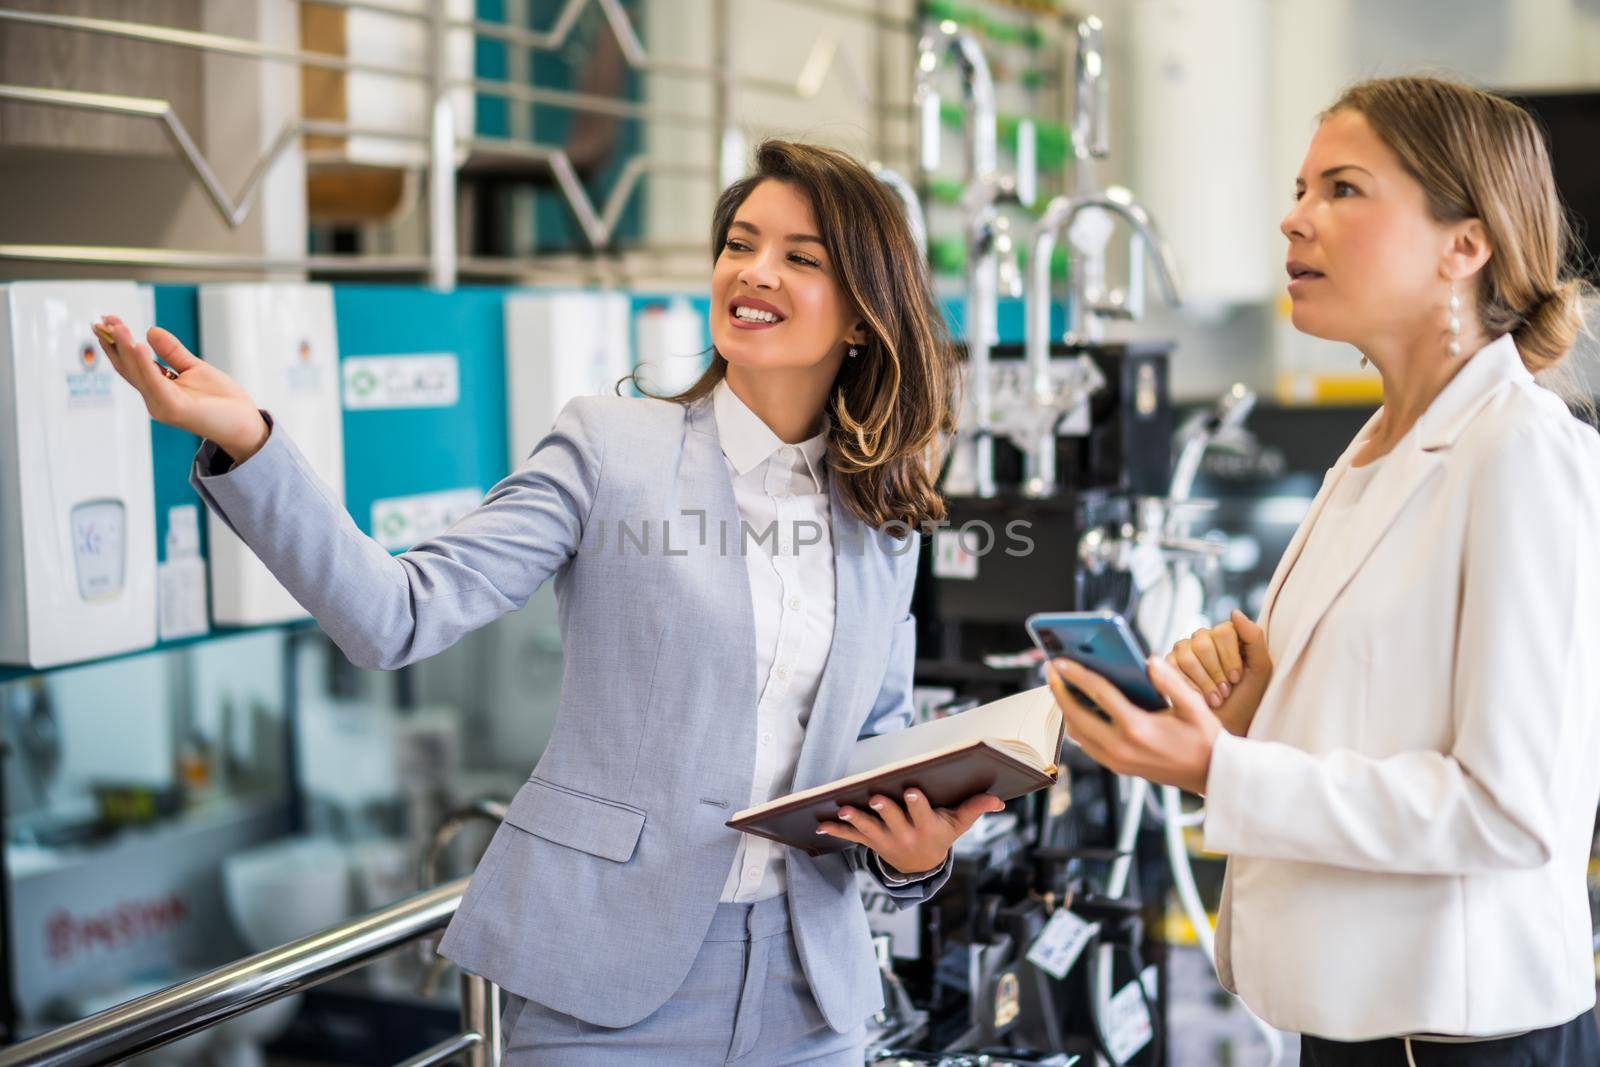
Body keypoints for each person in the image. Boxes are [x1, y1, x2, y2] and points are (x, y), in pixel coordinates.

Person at [92, 139, 1006, 1065]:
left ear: (863, 317)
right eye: (740, 242)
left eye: (800, 257)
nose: (754, 271)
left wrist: (913, 856)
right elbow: (393, 614)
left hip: (810, 999)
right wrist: (250, 441)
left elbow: (874, 754)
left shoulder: (880, 513)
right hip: (610, 987)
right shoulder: (611, 446)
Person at [1042, 75, 1600, 1066]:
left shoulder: (1521, 454)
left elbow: (1508, 812)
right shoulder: (1379, 445)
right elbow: (1383, 725)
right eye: (1300, 189)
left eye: (1342, 189)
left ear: (1462, 246)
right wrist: (1256, 708)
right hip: (1351, 1018)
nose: (1294, 219)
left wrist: (1215, 764)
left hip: (1457, 1032)